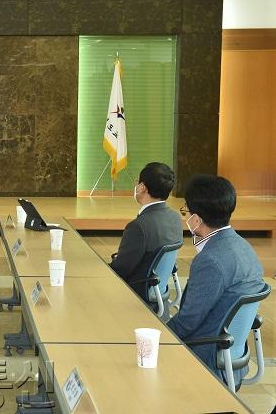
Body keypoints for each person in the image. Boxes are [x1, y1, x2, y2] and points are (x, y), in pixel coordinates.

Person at [167, 175, 264, 387]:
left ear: (197, 219)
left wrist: (158, 334)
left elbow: (187, 322)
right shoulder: (244, 247)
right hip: (231, 358)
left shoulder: (210, 261)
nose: (186, 216)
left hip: (206, 360)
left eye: (187, 211)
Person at [110, 162, 183, 297]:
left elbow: (120, 269)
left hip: (136, 293)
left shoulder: (138, 226)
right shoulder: (176, 218)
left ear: (142, 187)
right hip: (158, 290)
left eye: (137, 182)